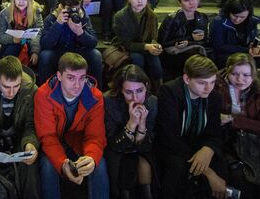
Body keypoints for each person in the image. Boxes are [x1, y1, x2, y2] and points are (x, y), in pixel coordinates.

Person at [34, 52, 109, 199]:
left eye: (82, 78)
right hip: (54, 143)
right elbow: (48, 136)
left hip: (79, 142)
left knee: (98, 165)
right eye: (70, 78)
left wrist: (91, 158)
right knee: (48, 166)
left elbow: (95, 136)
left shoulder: (96, 97)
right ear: (59, 76)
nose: (77, 84)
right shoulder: (43, 94)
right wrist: (62, 164)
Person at [156, 55, 227, 199]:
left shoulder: (214, 96)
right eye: (202, 83)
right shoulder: (169, 92)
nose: (208, 88)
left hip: (199, 144)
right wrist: (208, 172)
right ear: (187, 79)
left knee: (221, 163)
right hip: (173, 147)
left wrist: (209, 148)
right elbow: (170, 136)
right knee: (177, 168)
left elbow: (215, 131)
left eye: (212, 82)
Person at [0, 56, 40, 199]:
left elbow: (30, 125)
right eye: (6, 87)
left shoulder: (31, 89)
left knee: (30, 164)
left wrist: (30, 144)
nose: (11, 92)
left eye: (16, 86)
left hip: (20, 139)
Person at [103, 64, 158, 199]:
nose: (135, 98)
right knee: (124, 165)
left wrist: (142, 123)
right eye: (128, 92)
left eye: (139, 91)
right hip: (116, 150)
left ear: (146, 86)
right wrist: (132, 124)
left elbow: (146, 146)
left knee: (144, 164)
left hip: (140, 150)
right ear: (121, 90)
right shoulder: (108, 101)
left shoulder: (152, 102)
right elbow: (114, 144)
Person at [216, 53, 260, 199]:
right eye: (235, 74)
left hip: (252, 141)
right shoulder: (216, 86)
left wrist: (233, 120)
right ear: (227, 71)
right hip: (225, 141)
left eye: (246, 75)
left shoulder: (257, 91)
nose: (240, 80)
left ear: (253, 74)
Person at [39, 0, 103, 87]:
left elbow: (93, 42)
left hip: (77, 51)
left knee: (96, 54)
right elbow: (45, 44)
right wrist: (58, 24)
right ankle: (45, 90)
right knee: (45, 55)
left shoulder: (83, 17)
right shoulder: (51, 18)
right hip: (58, 51)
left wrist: (80, 33)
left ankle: (96, 91)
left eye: (76, 9)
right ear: (61, 6)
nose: (74, 12)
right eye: (70, 9)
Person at [112, 0, 163, 92]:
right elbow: (126, 43)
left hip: (146, 47)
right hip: (127, 48)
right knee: (138, 60)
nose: (140, 1)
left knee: (157, 68)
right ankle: (136, 89)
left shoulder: (152, 15)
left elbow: (153, 37)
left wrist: (156, 45)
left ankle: (155, 92)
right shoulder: (120, 16)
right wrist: (146, 46)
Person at [158, 0, 209, 80]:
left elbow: (205, 40)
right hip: (174, 52)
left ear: (198, 0)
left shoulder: (202, 17)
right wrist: (180, 43)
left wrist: (189, 42)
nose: (191, 3)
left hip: (194, 49)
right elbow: (162, 41)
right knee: (194, 59)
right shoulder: (172, 18)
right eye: (186, 0)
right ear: (180, 3)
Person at [0, 0, 43, 67]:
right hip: (12, 44)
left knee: (40, 54)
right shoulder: (5, 13)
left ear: (29, 0)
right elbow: (0, 36)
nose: (21, 2)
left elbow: (38, 33)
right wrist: (13, 39)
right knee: (13, 47)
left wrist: (35, 51)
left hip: (30, 43)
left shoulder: (36, 12)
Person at [209, 0, 260, 68]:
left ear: (248, 15)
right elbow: (219, 46)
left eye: (242, 17)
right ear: (229, 12)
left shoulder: (252, 21)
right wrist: (246, 50)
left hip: (245, 53)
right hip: (224, 54)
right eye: (235, 16)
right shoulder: (218, 21)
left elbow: (252, 39)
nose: (238, 19)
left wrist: (253, 46)